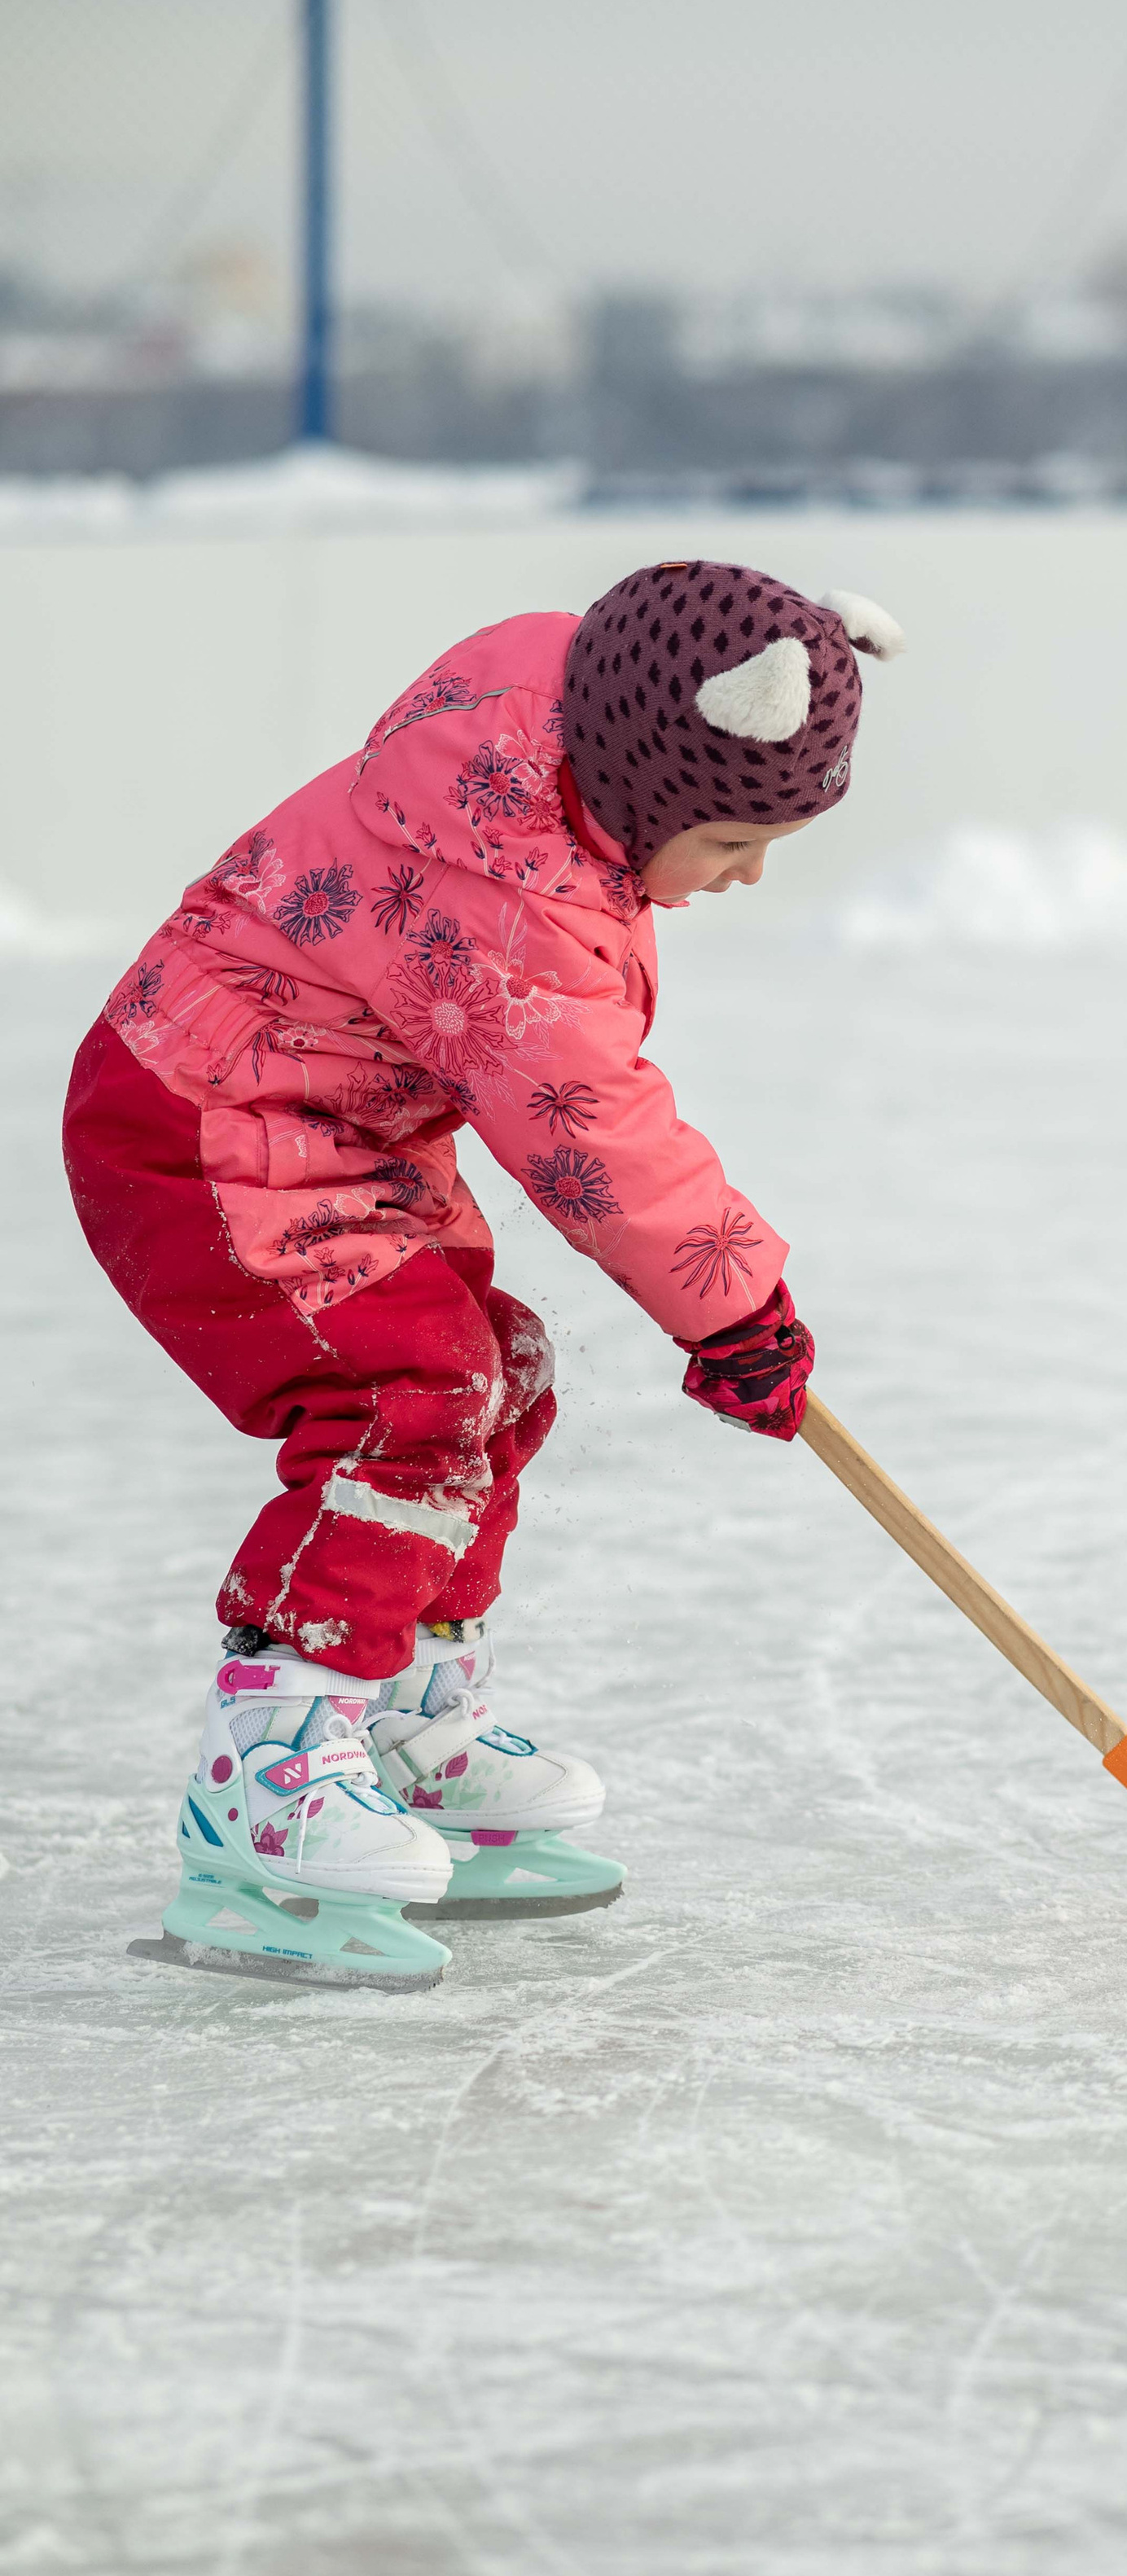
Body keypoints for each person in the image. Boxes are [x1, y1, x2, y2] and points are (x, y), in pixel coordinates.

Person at [63, 559, 904, 1992]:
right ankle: (265, 1770)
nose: (751, 873)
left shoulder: (569, 722)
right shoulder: (501, 894)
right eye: (733, 837)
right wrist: (737, 1309)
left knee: (497, 1367)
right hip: (198, 1126)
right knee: (414, 1390)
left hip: (334, 1127)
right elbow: (591, 1128)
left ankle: (404, 1718)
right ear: (647, 791)